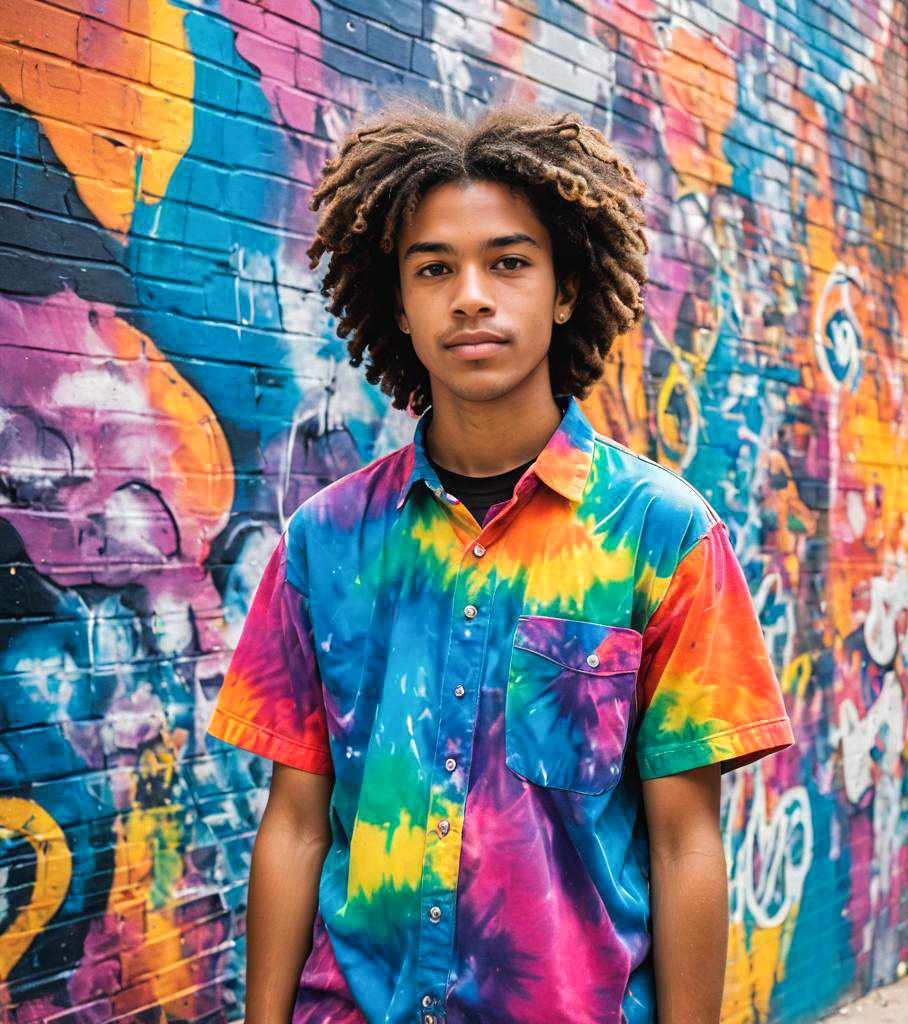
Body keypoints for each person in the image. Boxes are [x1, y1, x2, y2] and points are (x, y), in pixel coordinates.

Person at [208, 104, 794, 1024]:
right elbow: (292, 823)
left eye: (509, 262)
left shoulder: (663, 537)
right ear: (398, 304)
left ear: (563, 290)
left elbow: (687, 844)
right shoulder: (323, 543)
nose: (470, 294)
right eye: (434, 268)